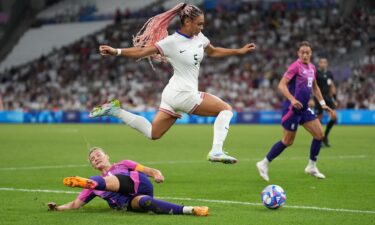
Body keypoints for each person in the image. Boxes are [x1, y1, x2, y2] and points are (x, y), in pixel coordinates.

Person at [89, 3, 256, 164]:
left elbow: (212, 51)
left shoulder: (200, 38)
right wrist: (116, 51)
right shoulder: (171, 42)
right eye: (199, 24)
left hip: (172, 93)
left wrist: (238, 51)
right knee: (226, 109)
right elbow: (142, 51)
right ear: (188, 22)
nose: (202, 27)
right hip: (184, 94)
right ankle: (216, 151)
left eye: (203, 24)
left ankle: (115, 111)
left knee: (153, 133)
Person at [47, 147, 208, 216]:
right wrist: (57, 208)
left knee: (104, 181)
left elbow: (149, 171)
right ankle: (191, 210)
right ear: (92, 165)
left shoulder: (124, 164)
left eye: (98, 155)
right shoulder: (94, 186)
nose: (96, 159)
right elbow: (75, 204)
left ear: (107, 156)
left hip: (139, 184)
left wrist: (157, 174)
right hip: (129, 201)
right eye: (92, 159)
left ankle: (94, 182)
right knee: (146, 203)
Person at [256, 41, 333, 182]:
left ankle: (311, 166)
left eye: (307, 52)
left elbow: (315, 87)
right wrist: (292, 99)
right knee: (287, 141)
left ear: (311, 54)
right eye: (302, 52)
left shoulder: (312, 68)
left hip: (304, 108)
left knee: (319, 134)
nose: (304, 55)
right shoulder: (295, 67)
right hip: (292, 109)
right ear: (298, 54)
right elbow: (281, 85)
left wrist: (323, 104)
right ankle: (264, 163)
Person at [314, 57, 337, 147]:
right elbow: (313, 86)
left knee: (334, 116)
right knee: (318, 119)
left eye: (325, 62)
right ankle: (319, 139)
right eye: (321, 62)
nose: (323, 64)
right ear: (319, 64)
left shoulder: (329, 73)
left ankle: (325, 137)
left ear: (327, 64)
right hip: (319, 98)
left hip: (328, 97)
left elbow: (332, 85)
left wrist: (334, 99)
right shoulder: (316, 73)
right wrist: (311, 98)